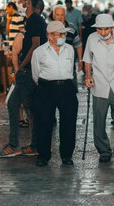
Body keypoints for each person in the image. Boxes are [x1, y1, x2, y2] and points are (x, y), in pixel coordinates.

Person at [0, 0, 47, 158]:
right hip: (31, 69)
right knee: (30, 107)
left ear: (28, 1)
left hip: (29, 70)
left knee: (12, 103)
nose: (19, 2)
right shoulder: (32, 20)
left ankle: (13, 145)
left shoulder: (34, 20)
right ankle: (34, 145)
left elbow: (35, 45)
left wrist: (22, 67)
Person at [83, 14, 114, 164]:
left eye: (106, 29)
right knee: (99, 120)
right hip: (100, 85)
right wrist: (87, 76)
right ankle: (104, 151)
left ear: (111, 28)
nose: (103, 33)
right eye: (100, 29)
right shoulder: (92, 38)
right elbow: (87, 60)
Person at [31, 21, 79, 167]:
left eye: (64, 34)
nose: (64, 36)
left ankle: (67, 156)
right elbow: (35, 74)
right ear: (50, 35)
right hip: (46, 88)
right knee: (44, 122)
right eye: (60, 34)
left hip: (67, 88)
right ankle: (43, 156)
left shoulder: (70, 49)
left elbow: (71, 69)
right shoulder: (39, 52)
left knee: (69, 123)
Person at [52, 5, 83, 74]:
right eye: (57, 15)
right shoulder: (49, 28)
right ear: (53, 15)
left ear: (65, 16)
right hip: (53, 68)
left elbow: (78, 45)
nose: (60, 17)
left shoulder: (71, 28)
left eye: (62, 15)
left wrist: (80, 60)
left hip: (69, 67)